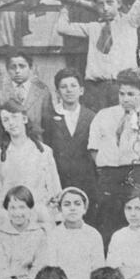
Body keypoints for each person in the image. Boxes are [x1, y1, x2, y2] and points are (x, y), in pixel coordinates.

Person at [55, 0, 140, 113]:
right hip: (95, 90)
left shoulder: (129, 22)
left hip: (122, 88)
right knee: (97, 126)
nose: (105, 8)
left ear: (118, 3)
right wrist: (65, 7)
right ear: (96, 6)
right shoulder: (93, 28)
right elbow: (62, 28)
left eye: (110, 2)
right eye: (101, 4)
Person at [88, 68, 140, 250]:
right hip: (110, 178)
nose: (125, 99)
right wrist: (108, 168)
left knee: (137, 226)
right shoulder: (103, 116)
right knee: (109, 226)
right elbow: (93, 149)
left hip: (138, 177)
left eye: (131, 94)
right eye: (122, 94)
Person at [0, 100, 61, 227]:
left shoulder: (43, 152)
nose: (11, 123)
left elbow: (55, 190)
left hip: (38, 219)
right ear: (3, 125)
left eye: (14, 117)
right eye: (5, 120)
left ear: (24, 119)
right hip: (9, 220)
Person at [41, 67, 97, 224]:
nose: (69, 90)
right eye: (63, 87)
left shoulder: (92, 117)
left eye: (73, 86)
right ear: (57, 92)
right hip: (60, 180)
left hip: (86, 182)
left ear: (81, 90)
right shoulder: (49, 118)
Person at [47, 187, 105, 279]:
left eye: (77, 204)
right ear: (60, 209)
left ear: (84, 209)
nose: (72, 208)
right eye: (67, 204)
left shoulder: (93, 234)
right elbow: (52, 268)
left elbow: (99, 269)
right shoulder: (54, 235)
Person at [0, 52, 53, 146]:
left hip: (37, 148)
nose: (17, 71)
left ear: (30, 68)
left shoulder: (42, 93)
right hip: (11, 149)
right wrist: (4, 150)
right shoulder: (0, 96)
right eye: (13, 67)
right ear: (7, 70)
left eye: (22, 66)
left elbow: (48, 127)